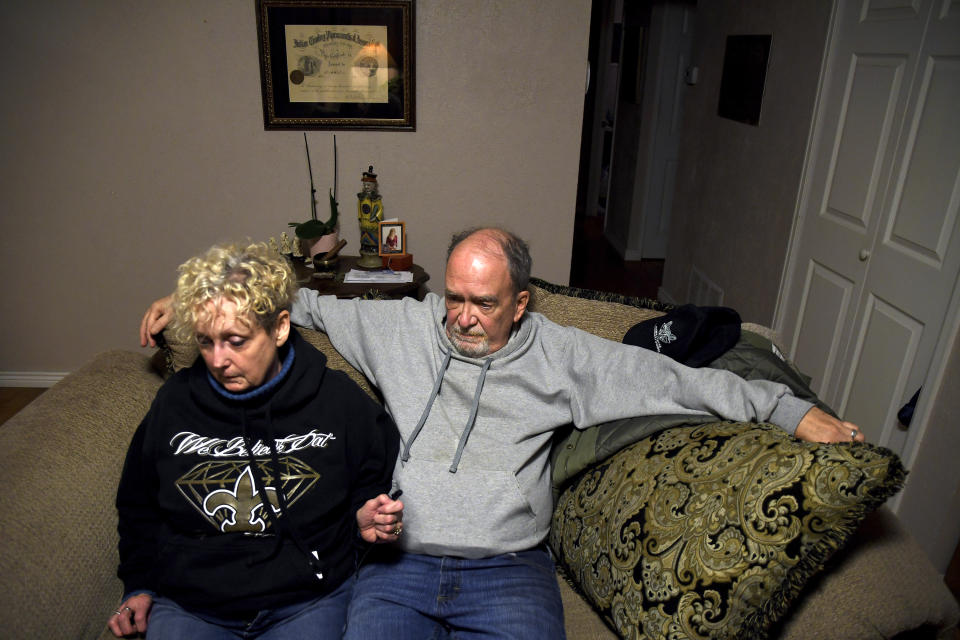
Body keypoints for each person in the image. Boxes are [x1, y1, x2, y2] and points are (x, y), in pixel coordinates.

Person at [141, 228, 863, 639]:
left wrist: (786, 410)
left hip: (510, 571)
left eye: (482, 303)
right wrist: (193, 301)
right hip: (398, 567)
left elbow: (678, 381)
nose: (461, 317)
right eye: (452, 298)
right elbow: (296, 301)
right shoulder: (404, 326)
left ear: (520, 304)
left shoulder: (565, 355)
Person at [114, 242, 403, 639]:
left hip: (307, 601)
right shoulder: (174, 403)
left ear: (280, 327)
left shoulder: (338, 401)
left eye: (236, 341)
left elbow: (373, 483)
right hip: (192, 605)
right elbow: (138, 505)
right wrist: (140, 584)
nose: (218, 360)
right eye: (205, 341)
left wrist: (361, 520)